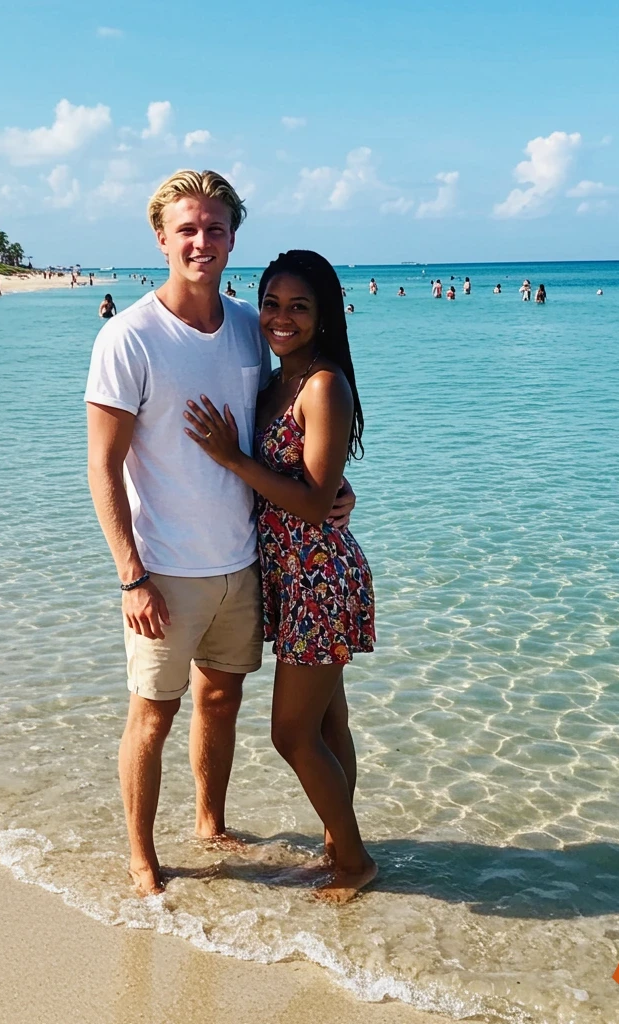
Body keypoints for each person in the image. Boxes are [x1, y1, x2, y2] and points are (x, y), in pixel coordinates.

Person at [85, 169, 355, 897]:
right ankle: (142, 856)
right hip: (164, 571)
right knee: (151, 716)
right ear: (161, 238)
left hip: (245, 563)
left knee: (220, 701)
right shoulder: (127, 337)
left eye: (215, 228)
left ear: (233, 237)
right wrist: (130, 574)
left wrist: (332, 492)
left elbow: (290, 422)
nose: (201, 242)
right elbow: (102, 467)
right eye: (187, 229)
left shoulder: (247, 324)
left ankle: (210, 822)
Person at [183, 250, 376, 902]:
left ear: (323, 315)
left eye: (299, 306)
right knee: (326, 726)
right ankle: (337, 842)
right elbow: (312, 485)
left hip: (321, 577)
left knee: (291, 734)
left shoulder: (322, 385)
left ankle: (353, 861)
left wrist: (231, 458)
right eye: (271, 304)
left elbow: (317, 502)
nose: (281, 318)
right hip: (289, 577)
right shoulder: (273, 384)